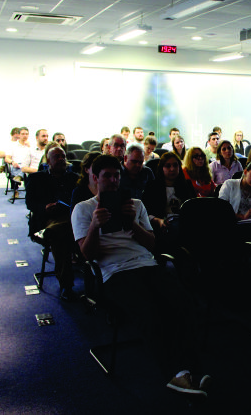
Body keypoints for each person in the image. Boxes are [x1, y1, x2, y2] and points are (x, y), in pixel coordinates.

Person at [71, 154, 210, 398]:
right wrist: (95, 226)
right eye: (107, 176)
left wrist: (131, 223)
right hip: (114, 272)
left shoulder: (136, 204)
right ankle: (175, 372)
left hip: (145, 263)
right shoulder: (82, 209)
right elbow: (87, 254)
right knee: (149, 310)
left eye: (116, 175)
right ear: (95, 178)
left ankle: (195, 367)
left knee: (183, 302)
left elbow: (152, 244)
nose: (114, 180)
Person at [26, 146, 79, 301]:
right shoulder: (36, 178)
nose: (61, 159)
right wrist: (44, 207)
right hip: (47, 219)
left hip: (71, 218)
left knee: (62, 231)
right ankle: (66, 285)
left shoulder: (74, 178)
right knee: (60, 236)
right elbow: (30, 204)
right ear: (48, 160)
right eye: (56, 156)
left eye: (63, 156)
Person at [141, 152, 196, 238]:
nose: (172, 169)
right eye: (168, 166)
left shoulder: (187, 185)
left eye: (175, 165)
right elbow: (145, 212)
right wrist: (158, 221)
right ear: (162, 168)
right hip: (162, 224)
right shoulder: (152, 187)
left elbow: (193, 208)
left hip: (184, 222)